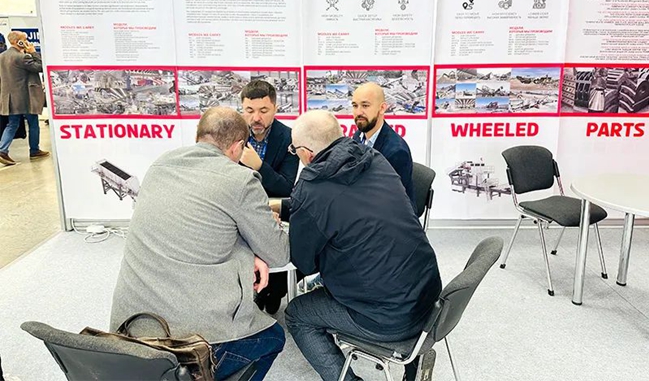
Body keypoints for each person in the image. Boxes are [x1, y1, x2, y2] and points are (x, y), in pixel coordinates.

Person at [110, 107, 290, 381]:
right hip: (186, 346)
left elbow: (192, 226)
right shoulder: (240, 180)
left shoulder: (160, 165)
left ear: (199, 136)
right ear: (238, 147)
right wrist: (252, 247)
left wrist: (244, 249)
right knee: (272, 337)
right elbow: (278, 253)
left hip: (128, 329)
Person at [279, 110, 442, 381]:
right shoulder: (373, 158)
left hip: (387, 316)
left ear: (306, 154)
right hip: (428, 294)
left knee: (297, 314)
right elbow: (343, 207)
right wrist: (287, 207)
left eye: (293, 150)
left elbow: (304, 263)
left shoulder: (312, 186)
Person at [239, 80, 299, 314]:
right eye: (249, 111)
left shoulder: (289, 137)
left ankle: (274, 292)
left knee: (279, 274)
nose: (256, 118)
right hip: (241, 211)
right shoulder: (233, 135)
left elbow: (285, 187)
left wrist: (259, 166)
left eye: (263, 111)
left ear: (275, 108)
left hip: (276, 212)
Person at [351, 82, 417, 213]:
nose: (358, 112)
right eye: (355, 105)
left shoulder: (396, 151)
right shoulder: (358, 135)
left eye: (365, 105)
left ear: (382, 108)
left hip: (389, 216)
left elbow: (394, 204)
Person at [0, 31, 49, 165]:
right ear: (18, 42)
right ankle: (34, 150)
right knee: (33, 123)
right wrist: (33, 52)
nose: (27, 42)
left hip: (9, 97)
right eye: (25, 39)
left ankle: (2, 149)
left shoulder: (2, 56)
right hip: (25, 97)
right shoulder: (22, 57)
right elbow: (40, 67)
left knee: (12, 124)